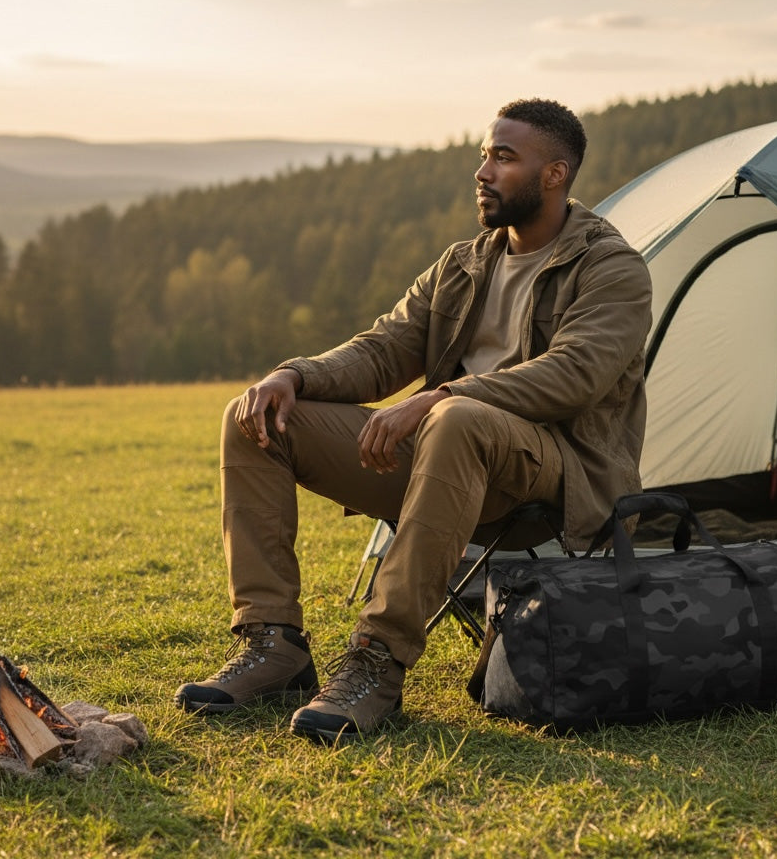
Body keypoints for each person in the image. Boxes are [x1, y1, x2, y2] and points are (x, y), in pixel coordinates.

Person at [175, 98, 652, 743]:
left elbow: (575, 375)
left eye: (504, 158)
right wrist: (294, 375)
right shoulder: (464, 264)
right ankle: (273, 645)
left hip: (554, 472)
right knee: (256, 417)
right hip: (446, 459)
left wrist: (440, 397)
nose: (483, 171)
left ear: (555, 175)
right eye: (484, 154)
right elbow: (382, 349)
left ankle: (377, 661)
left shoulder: (611, 268)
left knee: (457, 417)